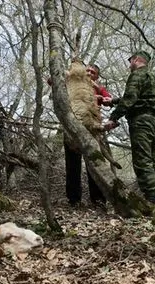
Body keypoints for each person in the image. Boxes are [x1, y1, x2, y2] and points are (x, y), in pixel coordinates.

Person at [103, 51, 155, 204]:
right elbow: (139, 97)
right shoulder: (151, 77)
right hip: (152, 123)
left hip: (141, 123)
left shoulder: (137, 74)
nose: (129, 64)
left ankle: (151, 201)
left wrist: (113, 118)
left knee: (142, 160)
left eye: (130, 61)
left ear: (136, 59)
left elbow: (131, 98)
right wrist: (112, 101)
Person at [63, 63, 113, 207]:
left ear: (97, 76)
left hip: (92, 130)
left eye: (93, 72)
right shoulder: (72, 84)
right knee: (72, 165)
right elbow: (52, 82)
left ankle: (98, 200)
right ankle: (74, 200)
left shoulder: (98, 87)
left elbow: (108, 100)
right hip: (72, 128)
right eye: (88, 71)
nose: (90, 73)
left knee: (95, 163)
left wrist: (96, 89)